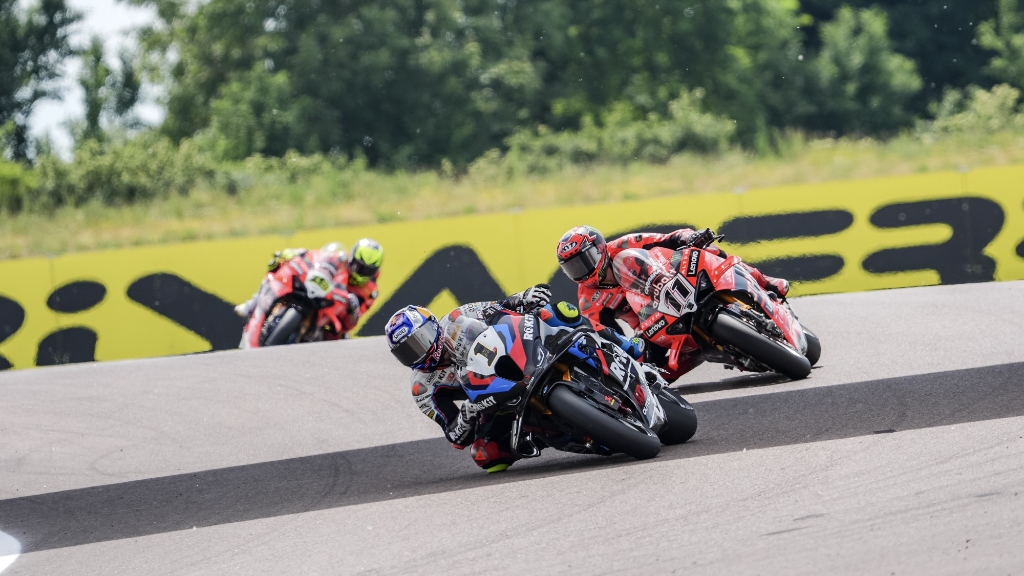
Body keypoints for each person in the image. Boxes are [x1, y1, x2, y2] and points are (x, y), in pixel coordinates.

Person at [555, 225, 789, 378]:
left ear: (599, 249)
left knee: (708, 251)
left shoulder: (624, 245)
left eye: (583, 260)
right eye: (572, 267)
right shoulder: (588, 300)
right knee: (649, 372)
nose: (581, 271)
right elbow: (608, 335)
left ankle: (764, 280)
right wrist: (630, 349)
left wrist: (690, 237)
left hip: (675, 285)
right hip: (653, 325)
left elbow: (669, 239)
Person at [384, 284, 553, 473]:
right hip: (492, 400)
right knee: (485, 453)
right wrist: (466, 416)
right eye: (407, 352)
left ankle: (578, 342)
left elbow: (500, 306)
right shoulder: (422, 387)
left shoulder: (457, 317)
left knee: (550, 312)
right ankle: (546, 436)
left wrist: (524, 297)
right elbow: (454, 435)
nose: (419, 352)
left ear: (433, 327)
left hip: (515, 355)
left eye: (420, 340)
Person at [235, 238, 384, 338]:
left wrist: (353, 311)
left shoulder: (370, 291)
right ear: (352, 258)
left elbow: (352, 323)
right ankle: (253, 304)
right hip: (321, 292)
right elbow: (316, 256)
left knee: (342, 338)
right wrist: (295, 253)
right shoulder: (340, 258)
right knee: (277, 267)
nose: (360, 272)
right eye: (358, 266)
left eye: (367, 270)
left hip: (334, 313)